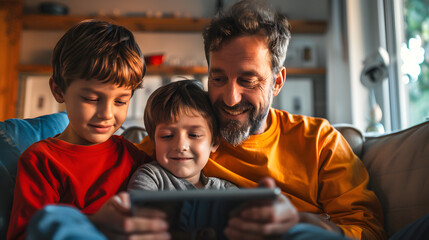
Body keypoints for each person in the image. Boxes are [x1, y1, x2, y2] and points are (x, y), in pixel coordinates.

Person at [137, 0, 385, 239]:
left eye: (248, 81)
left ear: (277, 82)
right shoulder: (181, 136)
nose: (231, 99)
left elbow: (368, 231)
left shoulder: (320, 142)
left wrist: (302, 223)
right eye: (218, 79)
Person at [7, 20, 169, 240]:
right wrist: (94, 222)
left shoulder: (136, 158)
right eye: (92, 98)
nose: (107, 114)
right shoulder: (41, 161)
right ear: (58, 90)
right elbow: (29, 234)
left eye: (121, 101)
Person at [128, 79, 238, 239]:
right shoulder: (151, 177)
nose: (180, 146)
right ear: (154, 141)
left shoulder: (226, 190)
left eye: (193, 135)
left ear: (214, 142)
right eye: (167, 136)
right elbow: (138, 218)